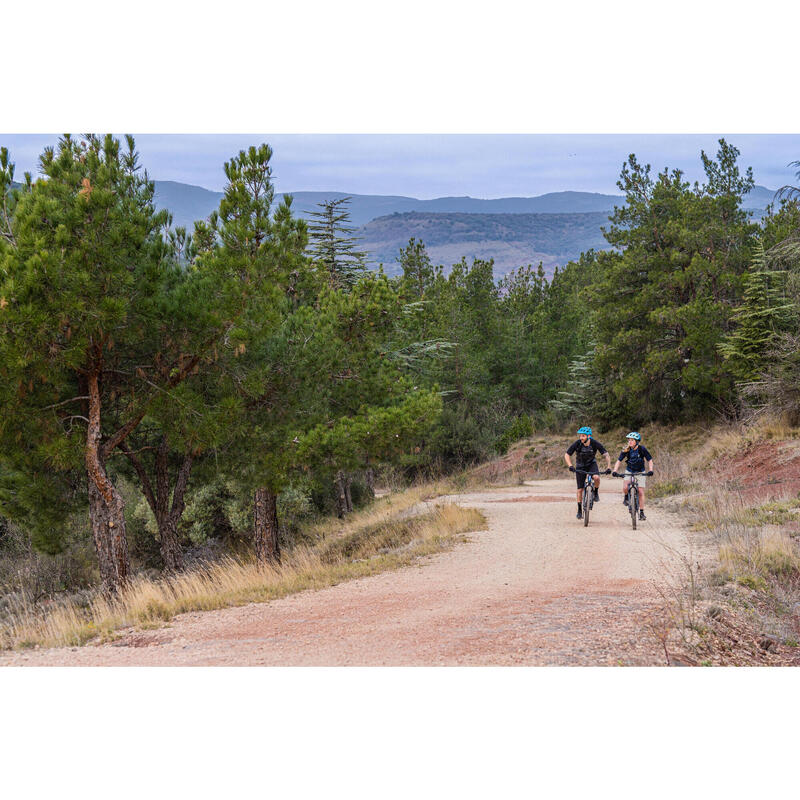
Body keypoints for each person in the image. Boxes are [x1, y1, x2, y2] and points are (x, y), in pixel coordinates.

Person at [564, 426, 612, 519]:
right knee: (580, 489)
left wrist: (608, 467)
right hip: (580, 465)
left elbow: (606, 454)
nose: (581, 438)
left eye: (583, 436)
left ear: (588, 436)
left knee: (597, 478)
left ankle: (596, 492)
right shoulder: (577, 443)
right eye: (580, 436)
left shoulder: (594, 443)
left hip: (591, 464)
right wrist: (570, 465)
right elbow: (567, 454)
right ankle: (579, 510)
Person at [611, 432, 654, 521]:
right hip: (629, 470)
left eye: (632, 440)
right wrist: (615, 471)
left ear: (637, 442)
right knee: (625, 487)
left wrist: (650, 470)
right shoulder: (626, 450)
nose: (630, 442)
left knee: (641, 492)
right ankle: (626, 497)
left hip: (640, 472)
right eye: (629, 440)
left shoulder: (642, 449)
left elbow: (649, 460)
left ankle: (641, 512)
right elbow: (619, 461)